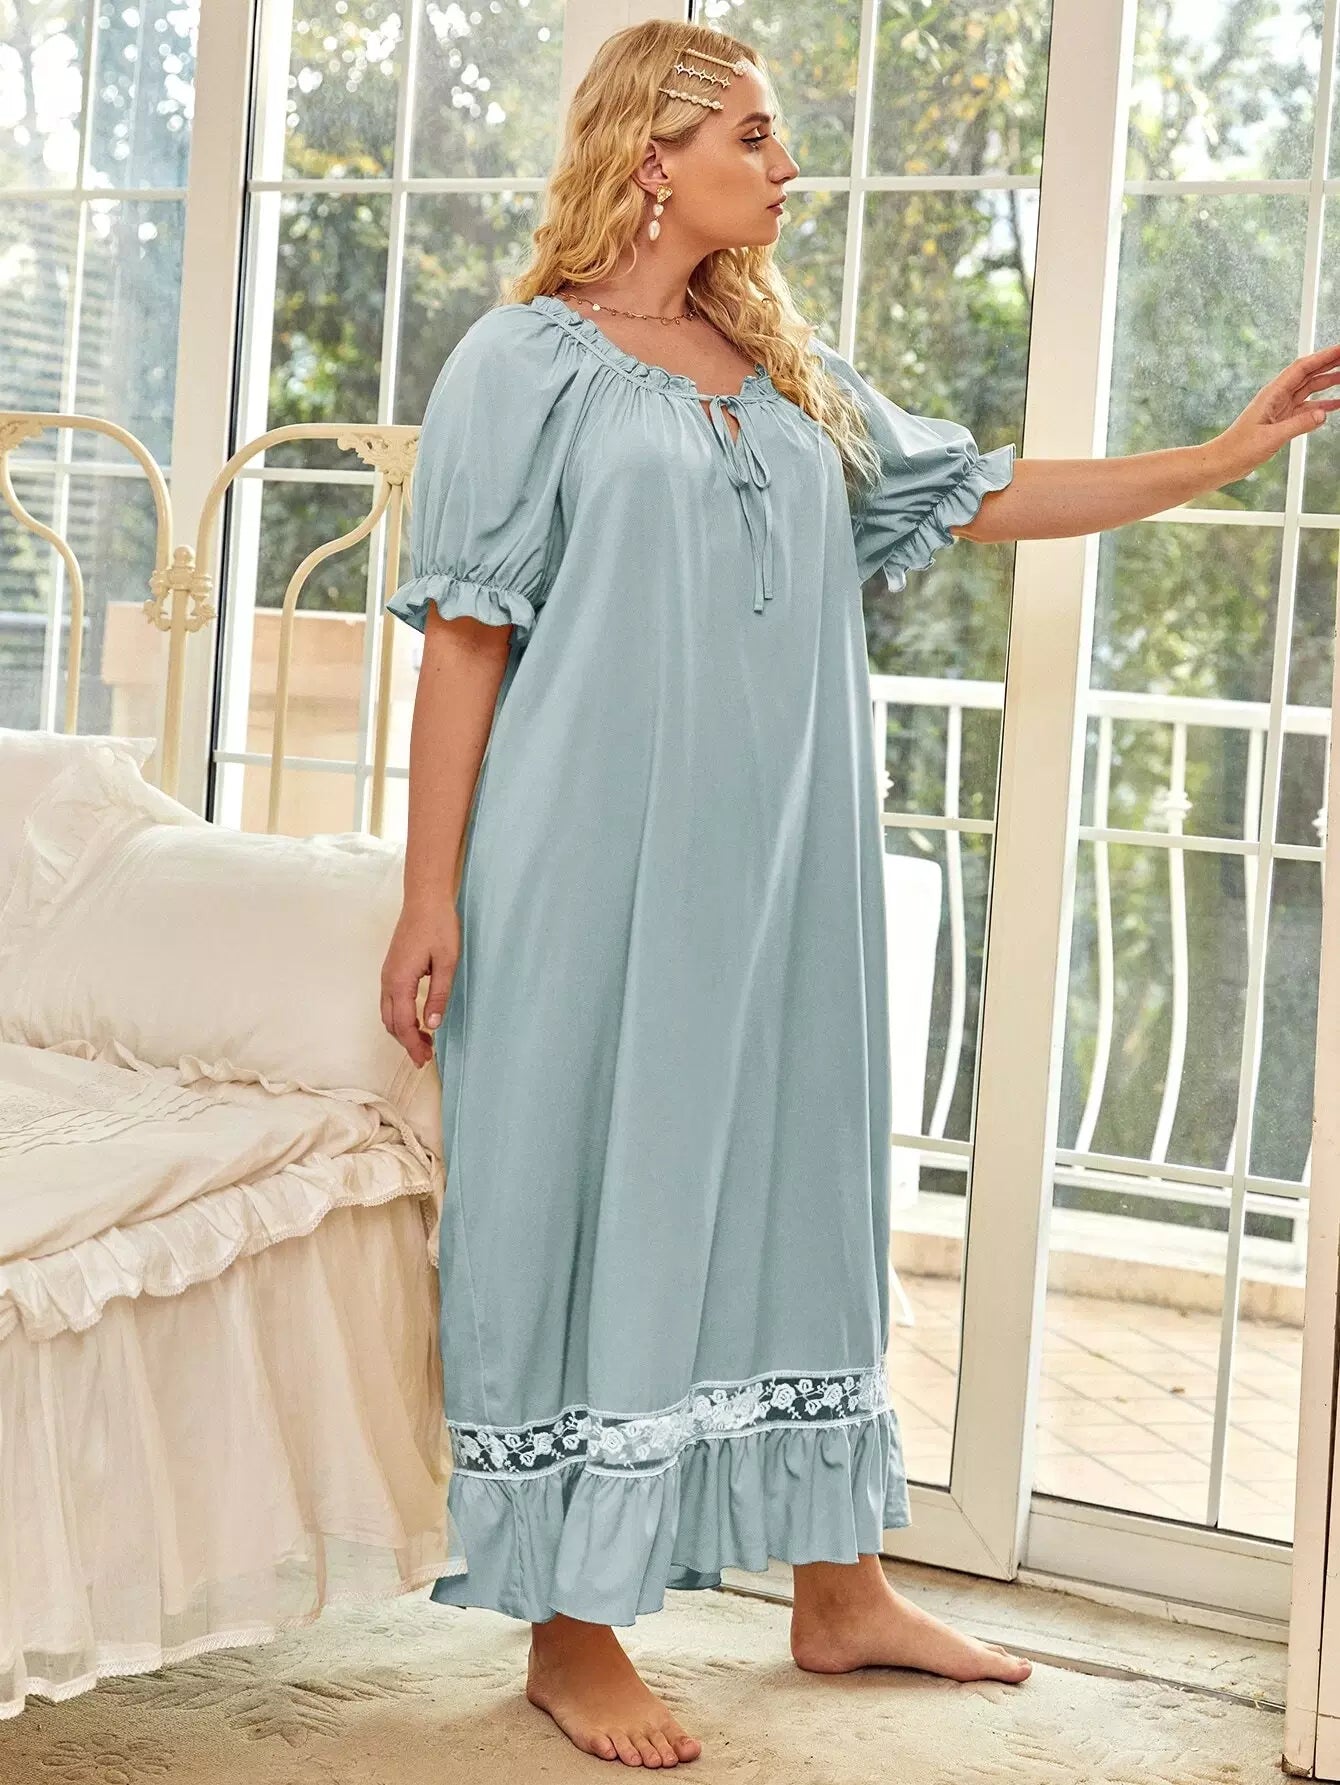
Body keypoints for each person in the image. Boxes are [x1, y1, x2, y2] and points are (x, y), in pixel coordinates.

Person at [380, 20, 1340, 1770]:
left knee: (800, 1194)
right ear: (653, 155)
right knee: (589, 1198)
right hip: (589, 865)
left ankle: (841, 1587)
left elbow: (986, 494)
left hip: (786, 871)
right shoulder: (520, 364)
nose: (788, 163)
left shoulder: (787, 369)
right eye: (756, 133)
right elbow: (465, 637)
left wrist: (1220, 455)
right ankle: (573, 1628)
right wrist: (426, 889)